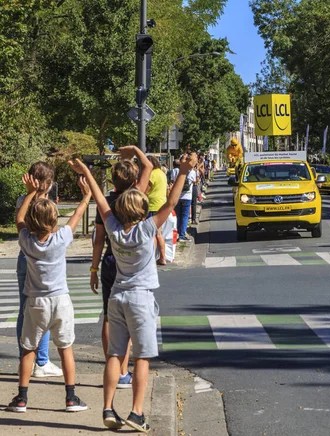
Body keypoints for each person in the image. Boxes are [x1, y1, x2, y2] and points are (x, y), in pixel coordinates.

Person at [69, 153, 198, 432]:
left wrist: (87, 172)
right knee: (141, 357)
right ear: (141, 211)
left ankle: (107, 407)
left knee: (114, 355)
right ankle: (137, 412)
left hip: (117, 296)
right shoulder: (146, 230)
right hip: (140, 298)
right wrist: (184, 172)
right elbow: (171, 202)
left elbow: (101, 202)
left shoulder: (114, 229)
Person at [7, 173, 92, 413]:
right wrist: (86, 196)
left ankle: (22, 398)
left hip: (35, 302)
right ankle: (70, 397)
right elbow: (76, 217)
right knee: (65, 348)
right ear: (55, 222)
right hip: (61, 301)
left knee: (28, 349)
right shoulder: (61, 239)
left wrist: (30, 193)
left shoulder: (27, 242)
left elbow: (19, 217)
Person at [90, 146, 152, 388]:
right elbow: (147, 166)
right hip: (133, 262)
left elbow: (97, 239)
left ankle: (114, 366)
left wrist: (93, 269)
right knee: (131, 317)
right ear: (135, 180)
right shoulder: (135, 197)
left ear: (113, 180)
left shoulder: (105, 203)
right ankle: (125, 369)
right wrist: (135, 150)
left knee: (109, 315)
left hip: (109, 259)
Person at [15, 163, 63, 379]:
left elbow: (20, 221)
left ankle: (25, 357)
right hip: (44, 261)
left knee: (25, 310)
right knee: (43, 310)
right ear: (49, 183)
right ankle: (41, 361)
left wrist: (30, 194)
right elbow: (53, 232)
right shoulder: (48, 206)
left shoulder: (22, 201)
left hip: (24, 257)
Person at [147, 156, 168, 264]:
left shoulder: (152, 174)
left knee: (152, 234)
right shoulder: (161, 173)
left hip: (152, 205)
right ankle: (162, 257)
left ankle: (151, 258)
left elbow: (146, 189)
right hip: (161, 205)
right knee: (159, 233)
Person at [170, 159, 196, 242]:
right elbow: (195, 181)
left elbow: (172, 181)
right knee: (185, 216)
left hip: (177, 196)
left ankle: (177, 233)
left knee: (178, 216)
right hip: (187, 196)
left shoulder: (175, 171)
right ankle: (182, 235)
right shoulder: (192, 172)